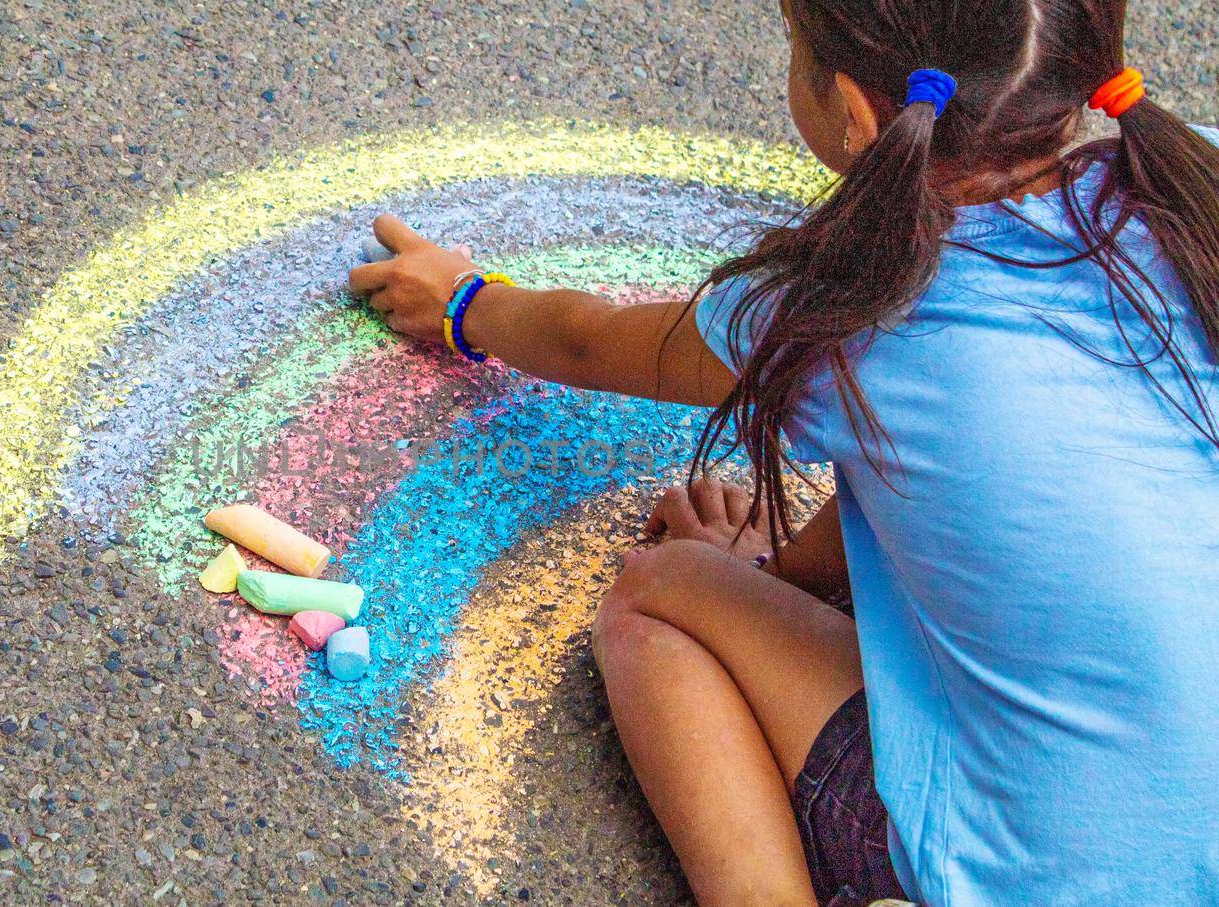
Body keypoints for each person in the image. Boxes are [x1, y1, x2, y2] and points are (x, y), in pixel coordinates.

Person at [347, 0, 1219, 902]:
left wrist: (464, 300)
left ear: (852, 109)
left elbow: (584, 340)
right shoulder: (1197, 188)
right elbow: (980, 478)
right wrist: (781, 572)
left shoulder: (858, 310)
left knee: (661, 594)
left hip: (1044, 881)